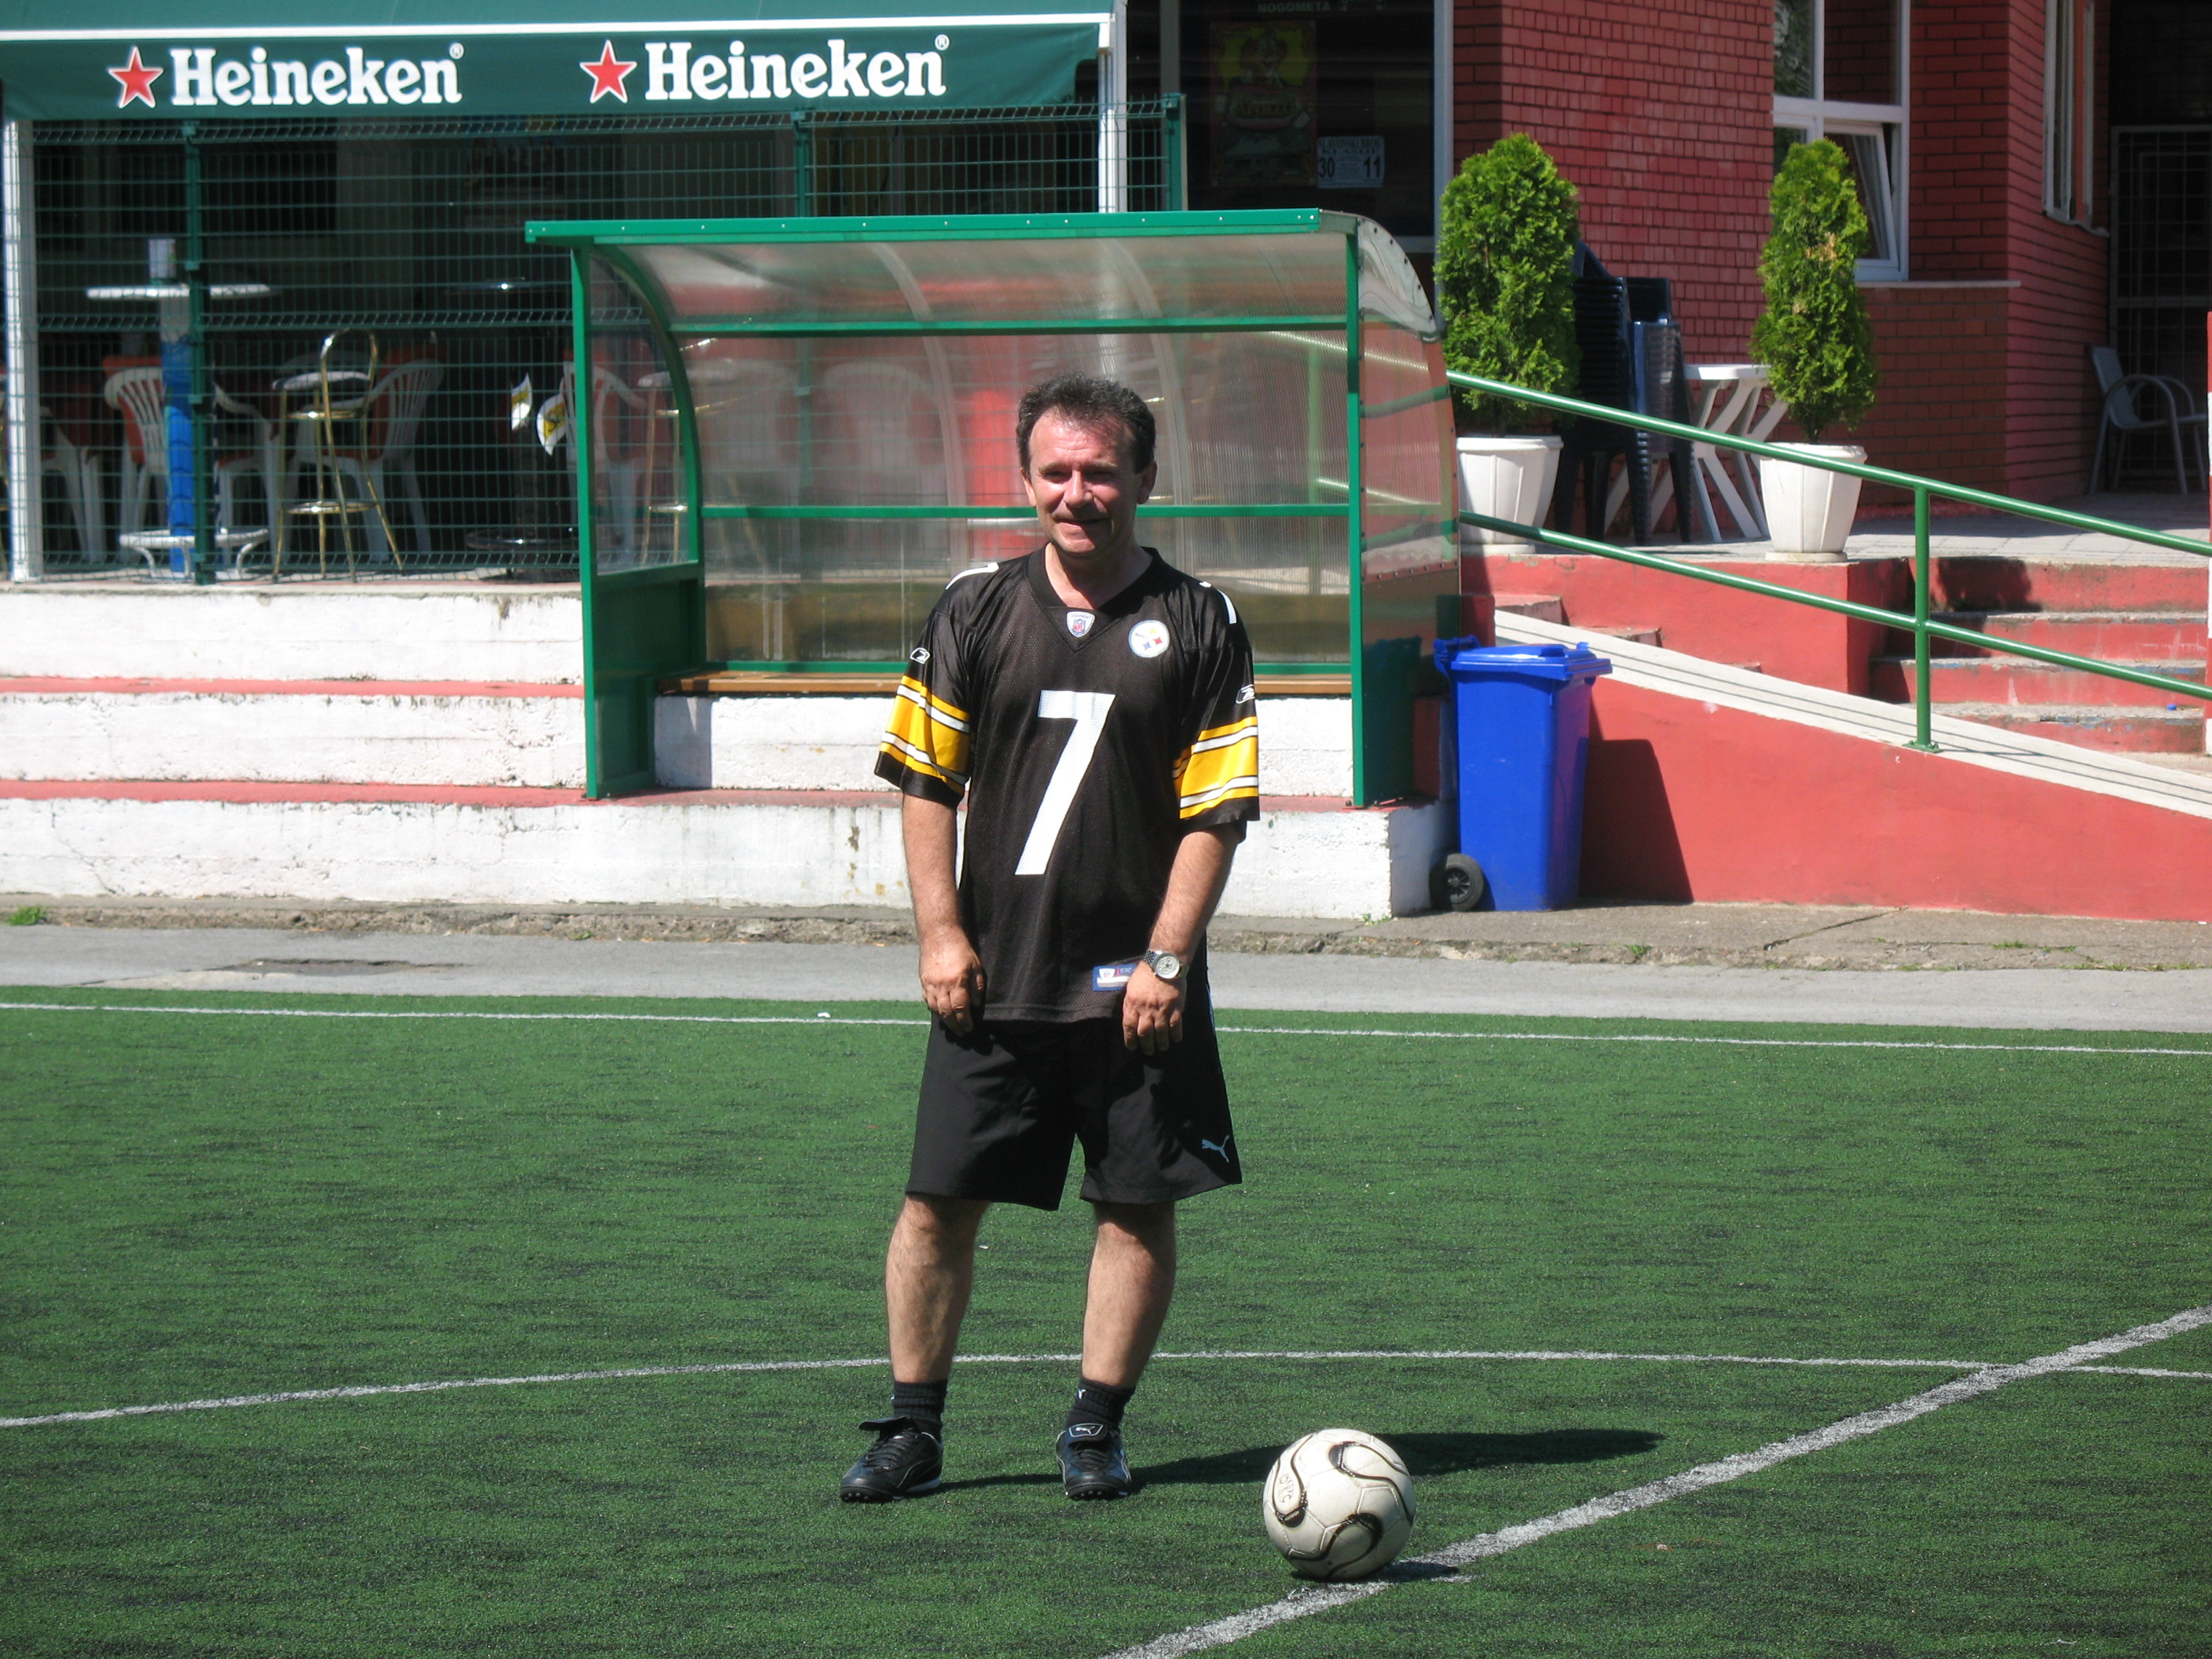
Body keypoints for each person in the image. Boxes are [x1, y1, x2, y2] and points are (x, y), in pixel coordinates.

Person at [842, 372, 1261, 1503]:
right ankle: (912, 1430)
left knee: (1136, 1204)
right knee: (937, 1202)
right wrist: (940, 937)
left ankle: (1094, 1428)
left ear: (1146, 479)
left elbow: (1216, 814)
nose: (1078, 494)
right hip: (994, 975)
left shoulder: (1203, 619)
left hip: (1137, 988)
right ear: (1027, 480)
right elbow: (926, 785)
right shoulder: (973, 609)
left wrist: (1168, 959)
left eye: (1101, 472)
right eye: (1056, 473)